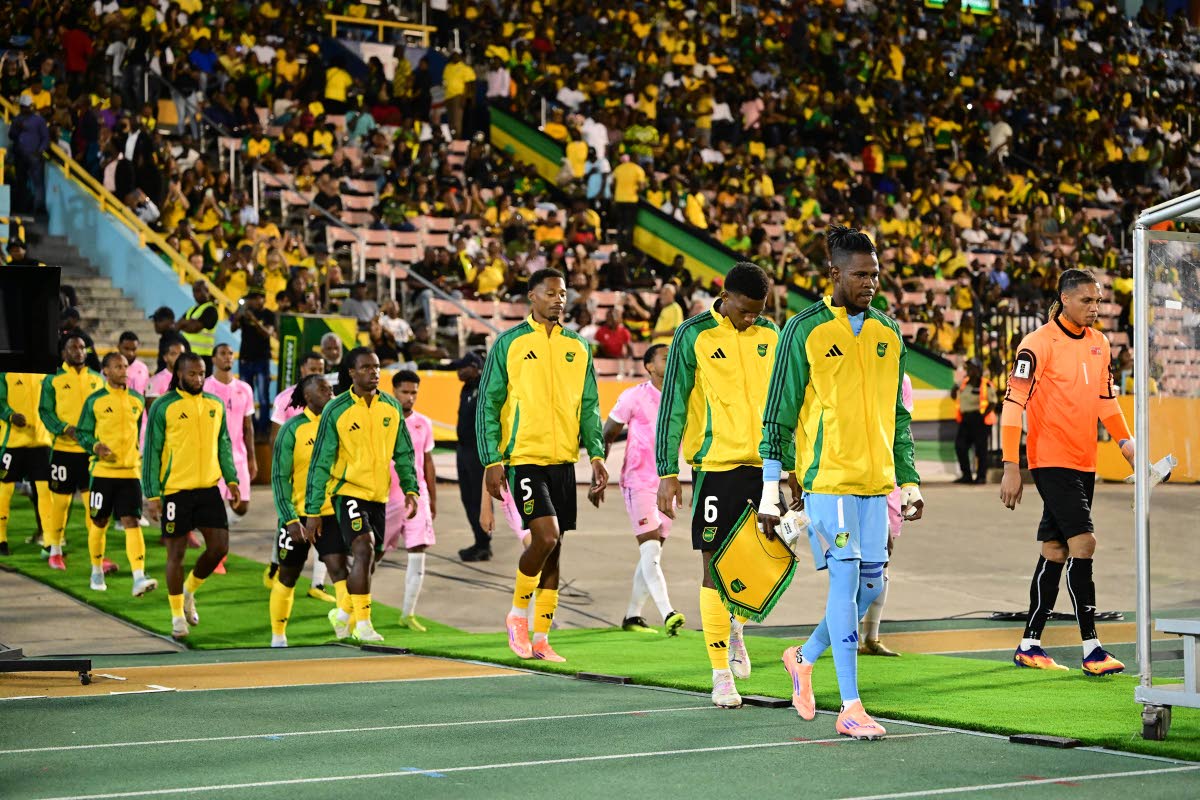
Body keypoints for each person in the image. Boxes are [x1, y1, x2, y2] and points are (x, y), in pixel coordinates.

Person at [761, 226, 922, 740]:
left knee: (874, 583)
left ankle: (803, 658)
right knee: (847, 580)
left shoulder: (888, 331)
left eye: (875, 275)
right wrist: (770, 492)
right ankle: (851, 705)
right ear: (833, 273)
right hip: (828, 480)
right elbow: (777, 417)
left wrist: (910, 480)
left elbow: (898, 417)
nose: (870, 283)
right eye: (860, 275)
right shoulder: (803, 329)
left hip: (877, 483)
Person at [655, 262, 778, 708]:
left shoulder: (771, 336)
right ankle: (720, 674)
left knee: (750, 569)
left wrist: (794, 467)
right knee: (712, 569)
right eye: (745, 310)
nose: (752, 318)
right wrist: (667, 471)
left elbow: (790, 405)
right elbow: (671, 405)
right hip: (715, 468)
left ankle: (737, 627)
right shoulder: (693, 335)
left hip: (763, 468)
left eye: (759, 311)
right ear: (724, 297)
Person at [1000, 268, 1132, 676]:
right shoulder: (1037, 344)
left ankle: (1029, 643)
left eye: (1098, 301)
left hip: (1084, 460)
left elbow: (1106, 401)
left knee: (1055, 550)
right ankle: (1092, 649)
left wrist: (1127, 445)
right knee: (1085, 543)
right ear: (1065, 299)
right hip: (1050, 459)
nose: (1095, 308)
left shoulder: (1100, 344)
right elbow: (1013, 403)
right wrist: (1011, 465)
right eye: (1087, 301)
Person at [479, 268, 608, 663]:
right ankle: (517, 616)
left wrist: (597, 454)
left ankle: (542, 637)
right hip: (524, 459)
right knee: (546, 537)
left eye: (563, 293)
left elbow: (588, 406)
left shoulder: (579, 347)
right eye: (551, 293)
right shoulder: (510, 344)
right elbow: (489, 403)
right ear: (531, 297)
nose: (559, 299)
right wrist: (492, 459)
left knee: (555, 552)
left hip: (563, 460)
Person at [304, 348, 419, 643]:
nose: (374, 372)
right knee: (364, 548)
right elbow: (320, 462)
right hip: (347, 492)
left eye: (377, 367)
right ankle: (363, 625)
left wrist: (410, 488)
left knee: (370, 560)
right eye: (366, 367)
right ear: (351, 373)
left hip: (379, 496)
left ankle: (342, 613)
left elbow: (404, 452)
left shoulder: (391, 408)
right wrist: (314, 509)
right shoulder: (336, 409)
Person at [143, 352, 241, 639]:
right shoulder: (163, 406)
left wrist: (231, 478)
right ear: (178, 373)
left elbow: (223, 443)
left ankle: (188, 592)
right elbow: (152, 452)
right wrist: (152, 494)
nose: (198, 379)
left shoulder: (215, 405)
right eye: (191, 374)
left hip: (209, 488)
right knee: (176, 554)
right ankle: (176, 617)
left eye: (201, 374)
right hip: (176, 492)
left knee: (219, 548)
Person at [603, 343, 685, 635]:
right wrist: (599, 468)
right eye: (665, 357)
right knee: (649, 547)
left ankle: (632, 616)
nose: (671, 360)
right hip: (638, 480)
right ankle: (668, 613)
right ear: (649, 366)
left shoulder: (681, 395)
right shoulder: (634, 396)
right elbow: (608, 432)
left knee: (652, 554)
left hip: (667, 482)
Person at [269, 375, 350, 647]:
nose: (330, 392)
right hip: (298, 517)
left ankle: (344, 630)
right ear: (307, 397)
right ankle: (278, 637)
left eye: (330, 388)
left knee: (340, 569)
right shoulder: (292, 429)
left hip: (330, 513)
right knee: (288, 575)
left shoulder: (339, 424)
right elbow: (280, 479)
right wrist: (290, 519)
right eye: (323, 389)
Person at [74, 352, 156, 596]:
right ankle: (96, 569)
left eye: (126, 366)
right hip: (103, 473)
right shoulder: (95, 401)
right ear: (105, 371)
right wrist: (96, 446)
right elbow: (83, 432)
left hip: (130, 472)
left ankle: (139, 576)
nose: (124, 370)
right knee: (100, 522)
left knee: (132, 522)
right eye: (118, 366)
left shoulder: (136, 400)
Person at [38, 333, 106, 571]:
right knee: (61, 504)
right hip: (63, 451)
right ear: (63, 352)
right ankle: (55, 551)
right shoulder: (53, 380)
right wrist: (64, 429)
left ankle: (97, 556)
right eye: (72, 347)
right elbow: (45, 412)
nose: (78, 351)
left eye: (81, 347)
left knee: (93, 506)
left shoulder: (98, 380)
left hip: (90, 453)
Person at [859, 372, 914, 658]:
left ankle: (871, 636)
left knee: (882, 559)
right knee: (852, 560)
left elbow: (902, 433)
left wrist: (908, 485)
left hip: (886, 480)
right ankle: (850, 634)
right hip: (852, 477)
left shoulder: (901, 380)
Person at [385, 370, 437, 631]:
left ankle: (408, 613)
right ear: (394, 391)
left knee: (418, 550)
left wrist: (432, 500)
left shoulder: (423, 423)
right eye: (405, 392)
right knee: (372, 553)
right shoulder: (385, 419)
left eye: (414, 392)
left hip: (417, 496)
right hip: (386, 497)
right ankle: (355, 609)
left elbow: (427, 462)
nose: (410, 397)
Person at [204, 344, 257, 537]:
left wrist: (252, 459)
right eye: (222, 354)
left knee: (241, 506)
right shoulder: (205, 387)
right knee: (215, 506)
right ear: (213, 359)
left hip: (239, 457)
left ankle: (212, 528)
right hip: (212, 457)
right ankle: (216, 545)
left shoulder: (244, 389)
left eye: (230, 354)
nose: (227, 357)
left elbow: (248, 426)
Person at [0, 373, 52, 554]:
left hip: (41, 442)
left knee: (45, 492)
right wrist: (10, 415)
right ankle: (1, 540)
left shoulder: (46, 373)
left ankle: (48, 541)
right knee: (4, 491)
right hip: (12, 441)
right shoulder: (5, 371)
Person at [452, 351, 492, 562]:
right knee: (467, 497)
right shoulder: (466, 388)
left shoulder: (484, 387)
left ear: (475, 367)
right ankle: (479, 540)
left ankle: (484, 543)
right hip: (464, 449)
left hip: (478, 451)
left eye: (463, 367)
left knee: (479, 498)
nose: (459, 371)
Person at [231, 287, 276, 437]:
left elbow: (266, 333)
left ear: (264, 299)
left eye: (259, 297)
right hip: (245, 360)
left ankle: (263, 428)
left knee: (263, 397)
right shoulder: (244, 313)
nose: (256, 301)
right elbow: (232, 328)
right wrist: (239, 314)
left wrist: (254, 320)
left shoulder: (268, 314)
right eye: (253, 298)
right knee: (245, 396)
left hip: (262, 360)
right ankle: (250, 427)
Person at [951, 358, 997, 484]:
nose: (969, 370)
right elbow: (955, 396)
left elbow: (993, 403)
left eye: (972, 368)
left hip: (980, 420)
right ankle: (966, 475)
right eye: (968, 368)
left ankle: (981, 476)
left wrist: (982, 417)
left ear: (978, 370)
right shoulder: (964, 383)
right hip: (965, 419)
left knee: (980, 449)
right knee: (960, 446)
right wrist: (954, 390)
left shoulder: (985, 384)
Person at [9, 94, 49, 214]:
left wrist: (40, 151)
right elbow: (11, 136)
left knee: (37, 183)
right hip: (20, 155)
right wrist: (17, 128)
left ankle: (38, 209)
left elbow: (45, 138)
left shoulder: (39, 120)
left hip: (34, 155)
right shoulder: (17, 119)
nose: (25, 109)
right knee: (21, 182)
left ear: (31, 106)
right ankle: (22, 208)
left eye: (27, 107)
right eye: (23, 107)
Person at [178, 281, 218, 375]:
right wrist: (189, 323)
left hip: (204, 357)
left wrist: (185, 324)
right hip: (188, 355)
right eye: (194, 291)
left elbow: (194, 328)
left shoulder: (211, 310)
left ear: (207, 291)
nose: (196, 294)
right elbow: (177, 325)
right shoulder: (192, 309)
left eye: (199, 290)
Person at [150, 306, 188, 372]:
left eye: (159, 320)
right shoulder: (165, 338)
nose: (155, 324)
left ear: (170, 321)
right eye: (154, 320)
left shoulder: (175, 340)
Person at [117, 332, 150, 396]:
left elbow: (147, 392)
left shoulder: (143, 368)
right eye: (126, 349)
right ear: (118, 347)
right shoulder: (110, 368)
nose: (130, 353)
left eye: (133, 349)